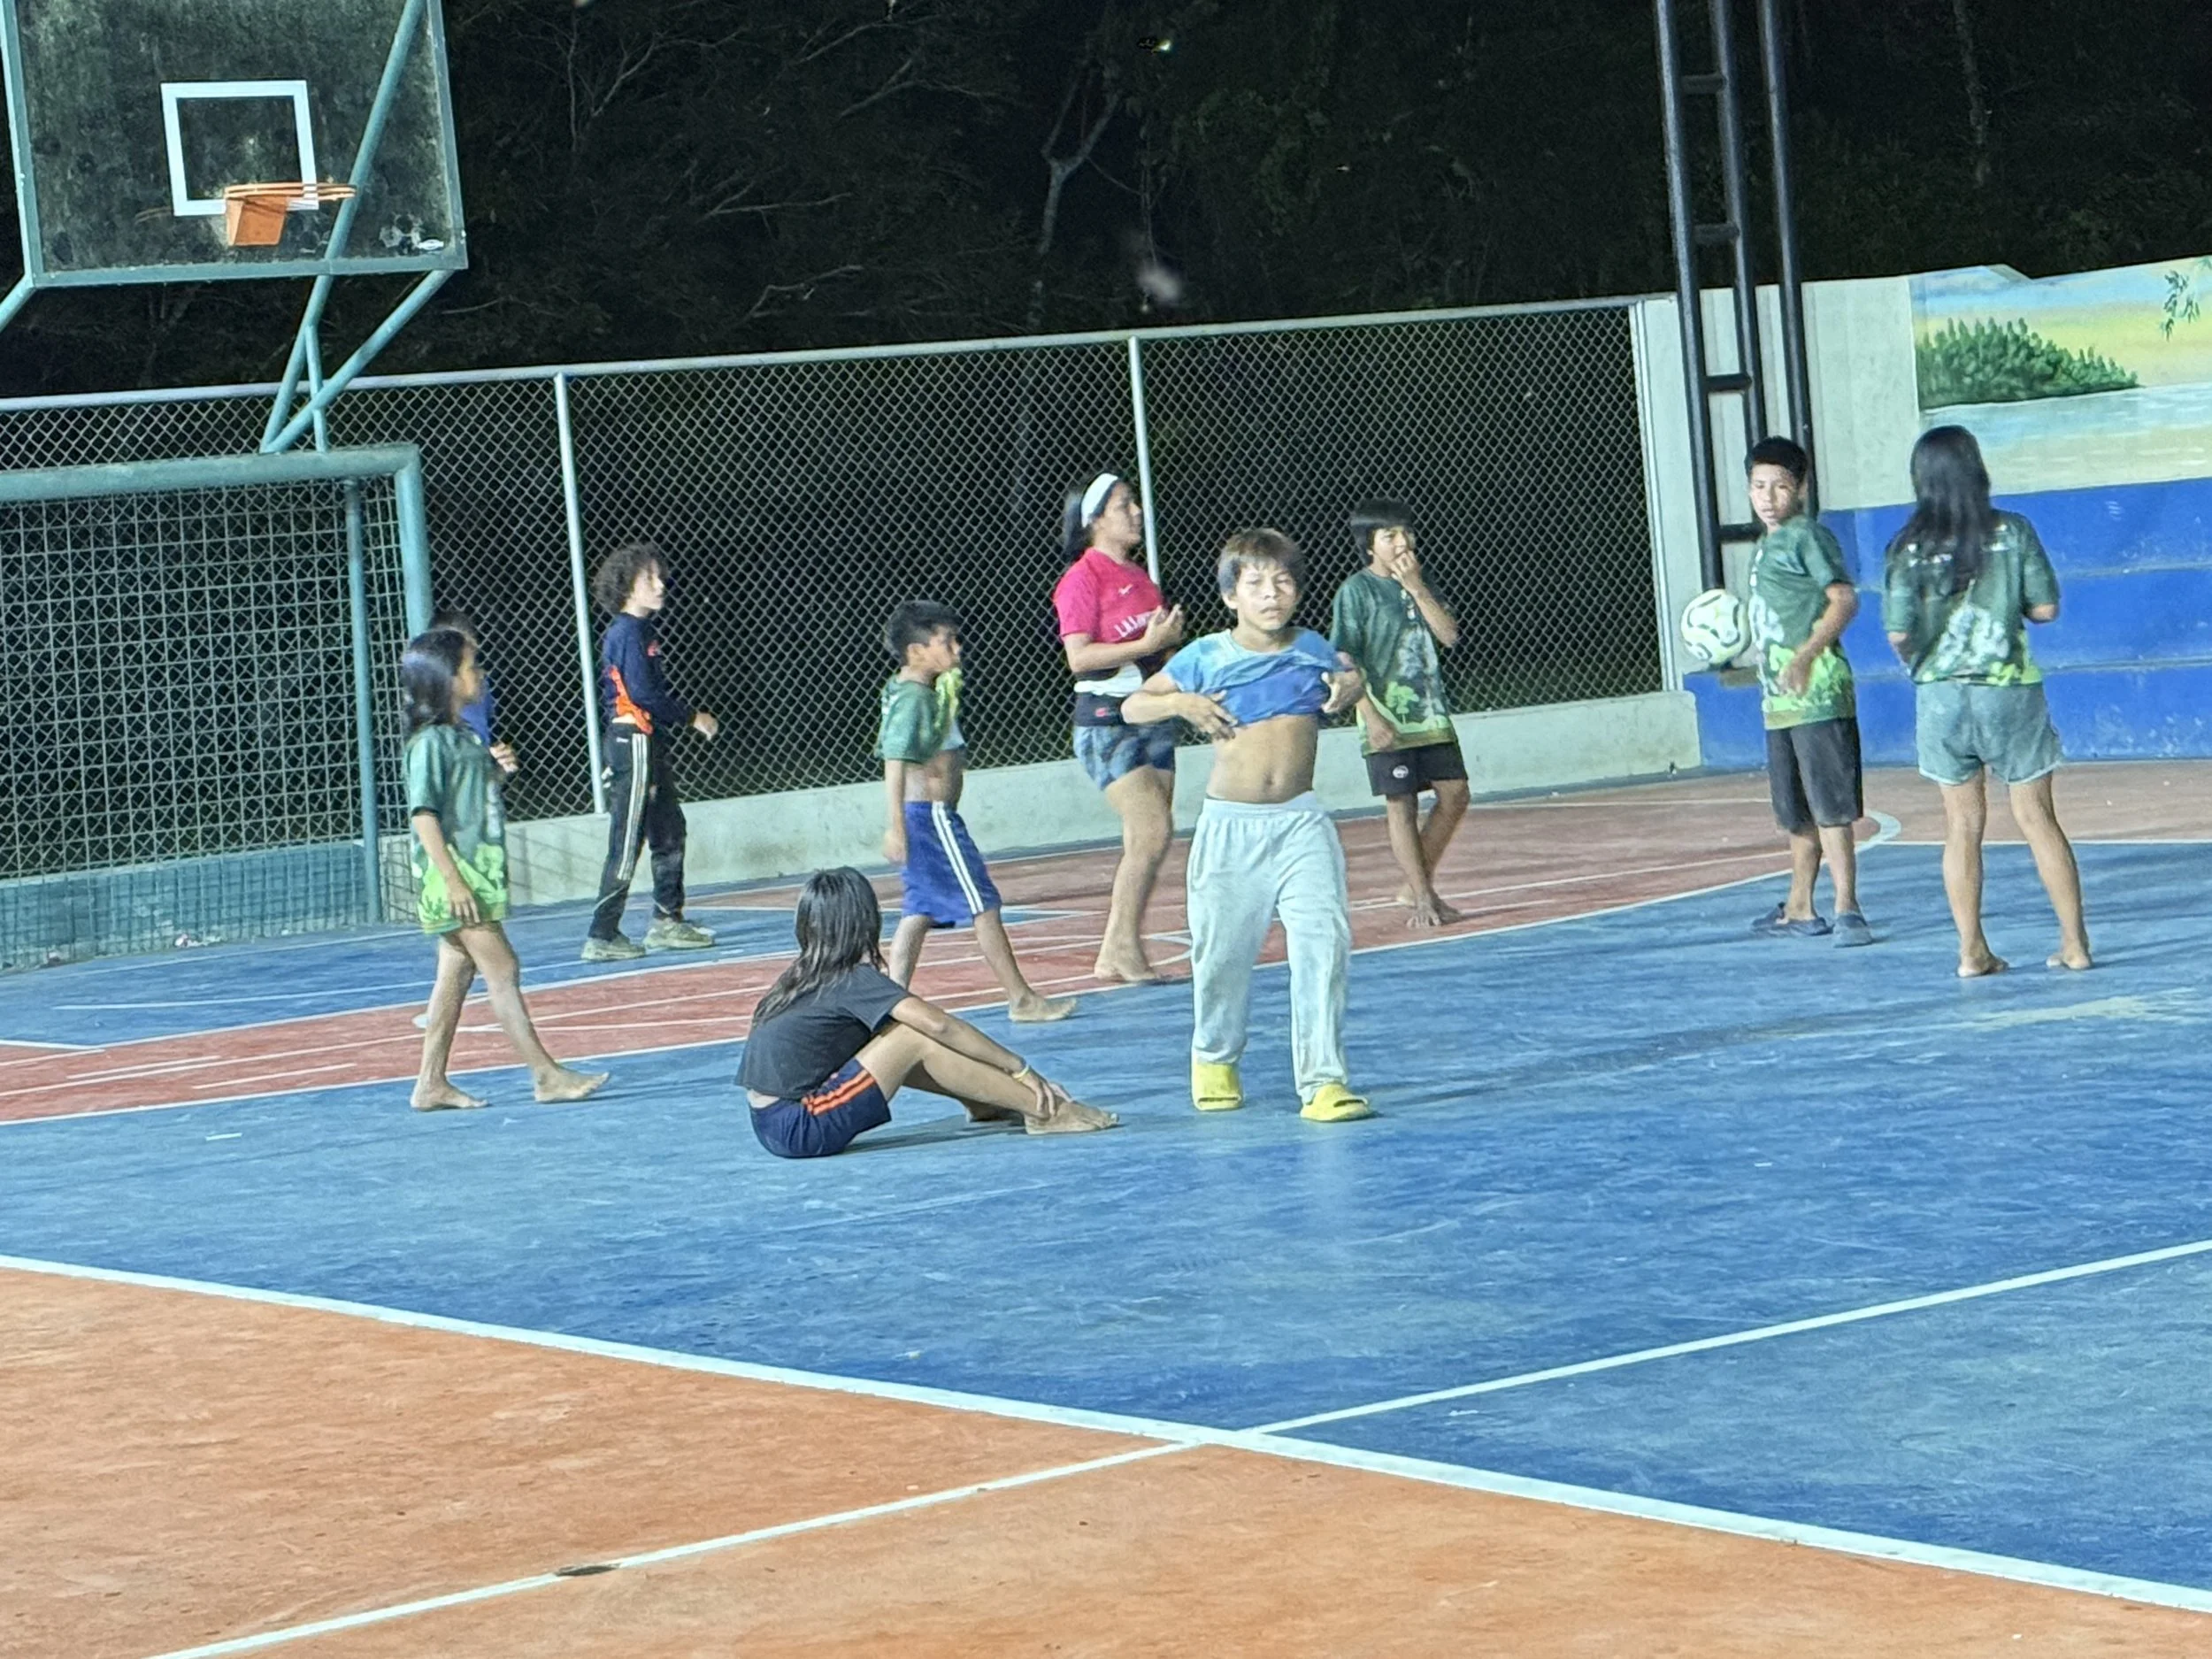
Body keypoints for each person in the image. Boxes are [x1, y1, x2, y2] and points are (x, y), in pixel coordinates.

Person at [1123, 529, 1371, 1123]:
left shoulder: (1313, 647)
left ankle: (1324, 1082)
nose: (1271, 594)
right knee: (1223, 955)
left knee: (1324, 944)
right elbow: (1134, 705)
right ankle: (1214, 1057)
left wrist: (1355, 684)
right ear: (1231, 596)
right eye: (1255, 583)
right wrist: (1180, 703)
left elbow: (1350, 674)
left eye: (1282, 581)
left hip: (1301, 823)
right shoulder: (1206, 655)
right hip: (1230, 829)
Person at [1884, 426, 2090, 979]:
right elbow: (2045, 609)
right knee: (2037, 817)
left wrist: (1924, 664)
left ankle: (1972, 950)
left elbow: (1898, 632)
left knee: (1962, 826)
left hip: (1941, 699)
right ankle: (2074, 944)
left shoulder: (1906, 548)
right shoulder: (2013, 531)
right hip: (2009, 691)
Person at [740, 867, 1117, 1157]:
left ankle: (982, 1101)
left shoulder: (801, 977)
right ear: (864, 921)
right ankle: (1044, 1110)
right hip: (799, 1126)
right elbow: (940, 1026)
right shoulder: (852, 980)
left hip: (773, 1125)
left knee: (897, 1037)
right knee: (910, 1035)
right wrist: (1020, 1069)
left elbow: (901, 1060)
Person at [403, 626, 609, 1111]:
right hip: (457, 880)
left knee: (455, 975)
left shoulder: (462, 736)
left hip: (475, 876)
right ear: (446, 679)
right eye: (471, 666)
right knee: (504, 969)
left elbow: (465, 800)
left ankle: (430, 1082)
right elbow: (424, 815)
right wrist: (453, 881)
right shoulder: (430, 743)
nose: (480, 674)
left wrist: (493, 772)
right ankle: (545, 1075)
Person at [879, 599, 1078, 1023]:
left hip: (924, 816)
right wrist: (896, 826)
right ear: (916, 651)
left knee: (919, 910)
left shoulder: (919, 690)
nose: (957, 648)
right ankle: (1021, 999)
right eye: (946, 641)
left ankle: (889, 1001)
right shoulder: (914, 698)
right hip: (931, 817)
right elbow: (895, 760)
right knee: (983, 904)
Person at [1052, 472, 1185, 981]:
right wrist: (1147, 645)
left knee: (1148, 838)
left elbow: (1159, 651)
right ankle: (1124, 948)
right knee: (1153, 831)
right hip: (1108, 719)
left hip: (1152, 714)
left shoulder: (1140, 577)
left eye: (1134, 503)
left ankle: (1115, 948)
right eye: (1124, 505)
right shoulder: (1081, 578)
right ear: (1094, 520)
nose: (1136, 512)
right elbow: (1079, 657)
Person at [1744, 436, 1873, 948]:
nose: (1768, 497)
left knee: (1830, 809)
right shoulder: (1764, 547)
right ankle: (1800, 906)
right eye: (1758, 486)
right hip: (1779, 703)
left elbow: (1843, 600)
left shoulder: (1808, 537)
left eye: (1780, 486)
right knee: (1795, 814)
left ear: (1800, 488)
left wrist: (1805, 655)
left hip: (1817, 695)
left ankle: (1848, 909)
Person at [1329, 499, 1469, 928]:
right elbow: (1344, 658)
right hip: (1386, 713)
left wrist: (1417, 588)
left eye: (1406, 533)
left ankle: (1414, 883)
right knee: (1401, 803)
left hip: (1430, 713)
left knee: (1456, 794)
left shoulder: (1422, 581)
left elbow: (1449, 636)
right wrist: (1370, 715)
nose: (1402, 542)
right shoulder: (1356, 591)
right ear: (1369, 545)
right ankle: (1423, 896)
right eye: (1389, 536)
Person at [581, 541, 720, 963]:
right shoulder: (626, 632)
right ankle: (602, 933)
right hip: (633, 742)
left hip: (649, 740)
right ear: (627, 586)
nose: (660, 584)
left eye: (660, 576)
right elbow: (642, 693)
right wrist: (692, 716)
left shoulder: (641, 631)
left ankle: (667, 920)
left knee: (669, 830)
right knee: (628, 839)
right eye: (649, 578)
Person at [429, 608, 518, 780]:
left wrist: (499, 766)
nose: (481, 674)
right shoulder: (431, 736)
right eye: (469, 665)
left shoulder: (481, 687)